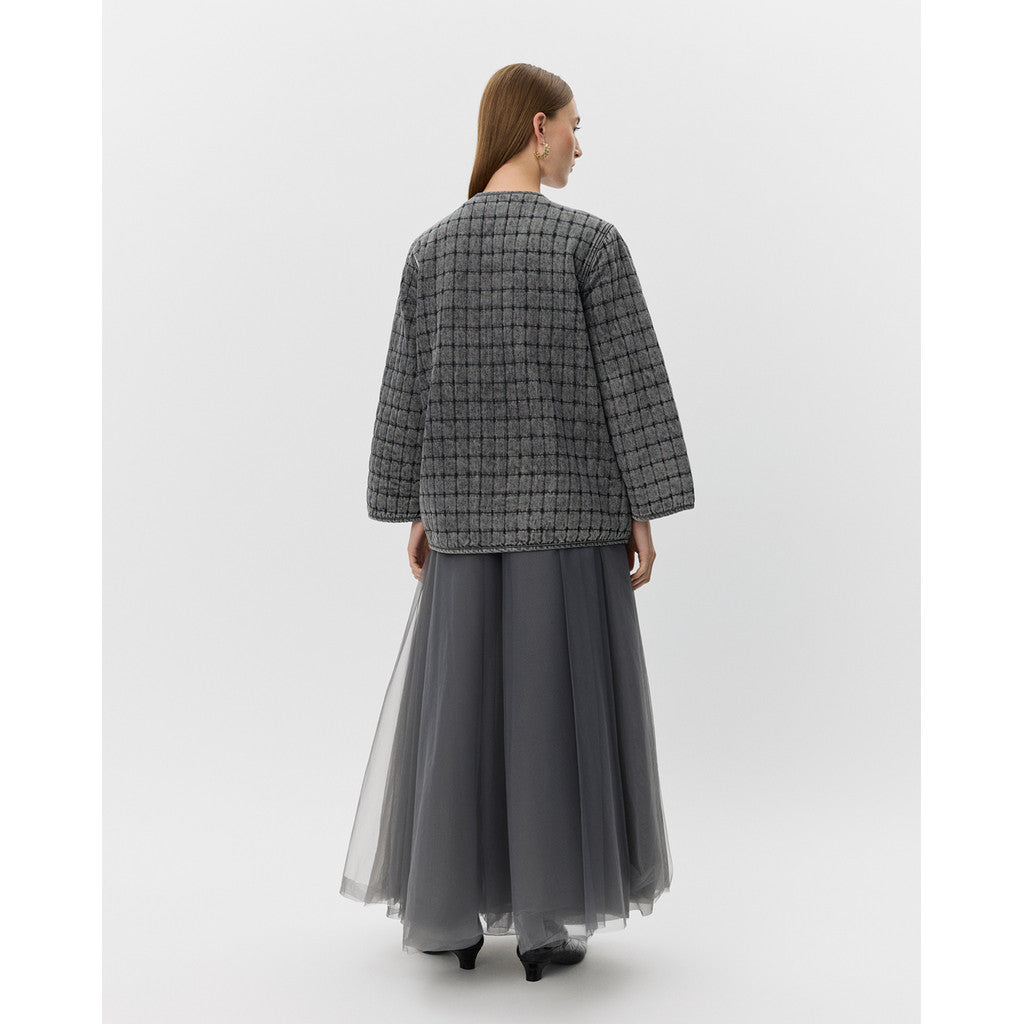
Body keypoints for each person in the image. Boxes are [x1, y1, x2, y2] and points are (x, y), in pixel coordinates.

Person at [338, 63, 695, 983]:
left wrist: (413, 506)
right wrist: (643, 507)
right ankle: (542, 926)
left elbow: (406, 389)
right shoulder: (589, 243)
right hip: (570, 514)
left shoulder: (430, 250)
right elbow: (631, 383)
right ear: (537, 128)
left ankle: (449, 919)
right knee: (552, 717)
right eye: (574, 125)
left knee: (461, 717)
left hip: (461, 515)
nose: (580, 143)